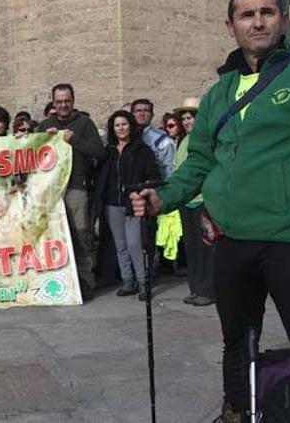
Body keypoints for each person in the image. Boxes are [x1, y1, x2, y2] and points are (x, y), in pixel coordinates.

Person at [131, 0, 290, 422]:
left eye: (267, 12)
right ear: (231, 26)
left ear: (283, 20)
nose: (258, 21)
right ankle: (239, 411)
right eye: (247, 14)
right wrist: (162, 197)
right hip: (232, 242)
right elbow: (199, 161)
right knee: (237, 341)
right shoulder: (218, 94)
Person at [37, 83, 105, 300]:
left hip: (76, 187)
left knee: (80, 236)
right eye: (59, 102)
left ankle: (85, 283)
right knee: (51, 238)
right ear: (53, 103)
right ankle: (56, 283)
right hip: (50, 190)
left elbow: (99, 152)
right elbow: (31, 154)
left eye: (67, 101)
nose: (63, 105)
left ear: (73, 101)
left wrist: (73, 139)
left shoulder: (84, 123)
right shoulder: (45, 125)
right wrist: (42, 140)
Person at [94, 111, 162, 300]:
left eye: (124, 124)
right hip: (112, 203)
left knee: (134, 245)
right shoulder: (108, 152)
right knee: (121, 246)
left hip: (134, 203)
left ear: (130, 126)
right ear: (112, 128)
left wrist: (141, 192)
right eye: (117, 125)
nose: (121, 128)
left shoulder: (142, 150)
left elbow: (153, 176)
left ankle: (143, 283)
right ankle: (128, 281)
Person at [172, 97, 215, 307]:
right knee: (191, 247)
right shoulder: (184, 141)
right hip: (187, 201)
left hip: (202, 201)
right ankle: (196, 287)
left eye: (191, 117)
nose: (187, 122)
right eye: (185, 118)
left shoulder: (206, 139)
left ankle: (208, 290)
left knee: (205, 247)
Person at [131, 98, 176, 178]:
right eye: (138, 111)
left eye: (146, 111)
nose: (142, 114)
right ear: (132, 114)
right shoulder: (124, 136)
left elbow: (168, 168)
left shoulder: (163, 140)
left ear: (152, 115)